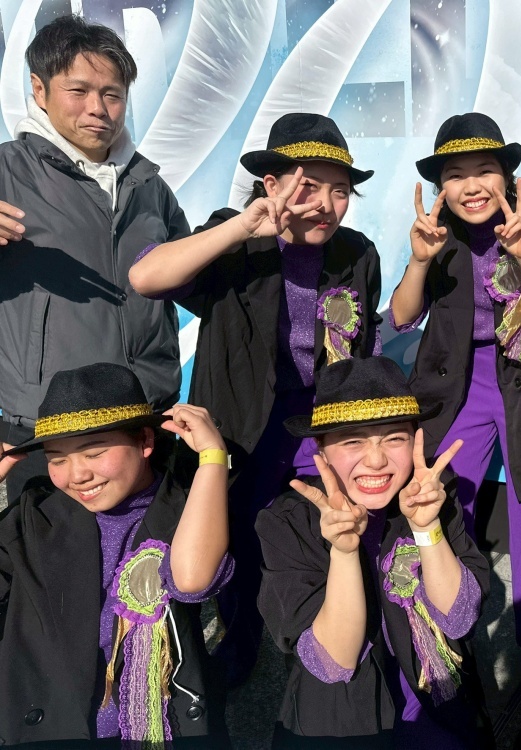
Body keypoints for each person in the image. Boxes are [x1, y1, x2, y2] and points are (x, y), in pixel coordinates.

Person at [130, 112, 382, 683]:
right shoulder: (235, 239)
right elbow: (146, 278)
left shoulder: (357, 253)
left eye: (340, 190)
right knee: (236, 537)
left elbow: (360, 347)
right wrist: (242, 228)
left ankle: (327, 641)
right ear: (272, 184)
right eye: (309, 186)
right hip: (241, 425)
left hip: (318, 424)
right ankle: (239, 644)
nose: (325, 205)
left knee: (328, 527)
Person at [388, 112, 521, 649]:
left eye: (485, 170)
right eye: (455, 175)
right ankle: (449, 640)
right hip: (458, 387)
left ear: (507, 178)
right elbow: (401, 316)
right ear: (440, 188)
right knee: (445, 503)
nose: (471, 186)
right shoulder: (436, 235)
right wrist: (420, 261)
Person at [256, 356, 492, 748]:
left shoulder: (433, 494)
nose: (377, 460)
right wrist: (344, 553)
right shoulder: (287, 521)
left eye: (394, 438)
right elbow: (334, 663)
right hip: (343, 723)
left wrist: (426, 527)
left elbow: (459, 618)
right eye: (353, 441)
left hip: (437, 704)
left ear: (415, 439)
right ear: (321, 448)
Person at [0, 15, 190, 500]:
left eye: (112, 94)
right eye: (78, 91)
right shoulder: (6, 171)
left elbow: (193, 281)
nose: (98, 109)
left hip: (147, 421)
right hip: (47, 433)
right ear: (39, 90)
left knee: (155, 549)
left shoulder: (150, 186)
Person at [0, 362, 233, 747]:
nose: (77, 475)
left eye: (93, 452)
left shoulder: (187, 510)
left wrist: (212, 456)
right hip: (52, 732)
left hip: (162, 727)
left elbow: (192, 580)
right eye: (57, 459)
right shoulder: (35, 516)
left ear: (145, 440)